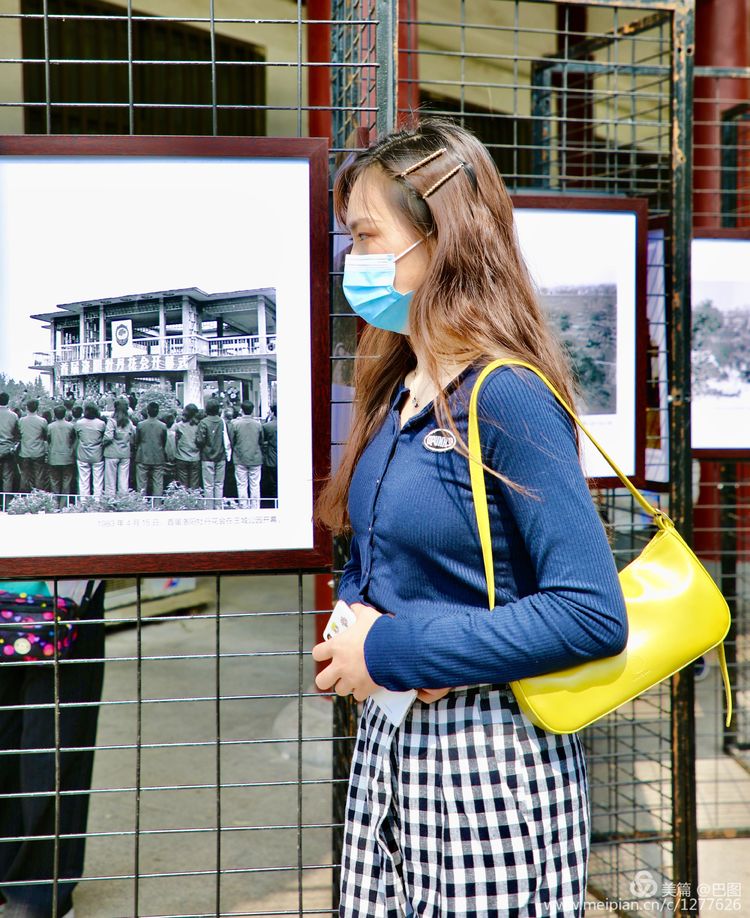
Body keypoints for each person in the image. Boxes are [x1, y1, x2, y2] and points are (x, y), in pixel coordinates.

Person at [311, 120, 628, 918]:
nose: (355, 261)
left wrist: (389, 646)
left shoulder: (508, 396)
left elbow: (591, 613)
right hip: (392, 750)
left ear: (438, 238)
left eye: (367, 236)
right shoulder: (399, 388)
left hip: (488, 763)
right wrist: (356, 624)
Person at [0, 580, 105, 918]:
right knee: (54, 736)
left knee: (53, 739)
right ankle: (34, 892)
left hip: (61, 577)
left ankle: (37, 894)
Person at [229, 401, 264, 509]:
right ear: (252, 410)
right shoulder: (258, 425)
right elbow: (261, 441)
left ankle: (243, 506)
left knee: (241, 484)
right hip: (255, 458)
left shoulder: (235, 424)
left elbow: (232, 440)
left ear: (241, 410)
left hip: (240, 458)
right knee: (255, 485)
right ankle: (255, 507)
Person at [196, 399, 227, 510]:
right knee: (219, 484)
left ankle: (209, 508)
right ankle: (218, 507)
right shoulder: (222, 422)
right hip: (221, 456)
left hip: (207, 457)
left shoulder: (203, 422)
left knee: (208, 485)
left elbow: (200, 440)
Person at [133, 402, 167, 498]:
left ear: (147, 411)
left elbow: (137, 440)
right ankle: (157, 504)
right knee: (158, 482)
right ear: (158, 412)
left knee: (141, 483)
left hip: (142, 456)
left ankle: (141, 503)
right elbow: (164, 441)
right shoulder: (163, 426)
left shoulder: (140, 425)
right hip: (158, 456)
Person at [102, 399, 135, 496]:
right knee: (123, 482)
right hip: (125, 454)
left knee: (110, 482)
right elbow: (133, 435)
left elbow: (108, 437)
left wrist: (102, 443)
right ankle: (123, 501)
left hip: (111, 454)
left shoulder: (112, 421)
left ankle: (110, 501)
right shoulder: (129, 422)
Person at [74, 402, 105, 499]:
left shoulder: (79, 423)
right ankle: (97, 501)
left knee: (83, 481)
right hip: (97, 455)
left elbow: (76, 436)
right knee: (98, 481)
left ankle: (84, 502)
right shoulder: (101, 424)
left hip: (82, 454)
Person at [47, 405, 76, 505]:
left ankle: (54, 503)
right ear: (65, 414)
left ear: (55, 414)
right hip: (67, 457)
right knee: (66, 482)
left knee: (54, 481)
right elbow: (73, 440)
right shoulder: (71, 426)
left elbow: (48, 440)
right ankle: (63, 505)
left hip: (54, 457)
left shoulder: (50, 426)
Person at [17, 400, 48, 493]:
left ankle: (22, 497)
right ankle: (39, 496)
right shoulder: (42, 421)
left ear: (27, 408)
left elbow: (18, 434)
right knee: (39, 476)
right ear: (37, 408)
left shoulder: (21, 421)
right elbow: (46, 435)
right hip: (38, 452)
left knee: (24, 475)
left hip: (25, 452)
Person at [174, 404, 201, 489]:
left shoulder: (178, 426)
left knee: (182, 485)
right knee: (194, 484)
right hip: (195, 457)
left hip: (181, 456)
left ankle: (184, 499)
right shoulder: (199, 426)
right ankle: (194, 499)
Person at [0, 392, 19, 497]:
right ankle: (6, 503)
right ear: (8, 401)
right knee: (7, 477)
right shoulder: (14, 416)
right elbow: (17, 433)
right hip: (8, 449)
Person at [260, 405, 278, 506]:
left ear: (272, 412)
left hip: (272, 459)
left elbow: (262, 441)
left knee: (273, 483)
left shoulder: (267, 427)